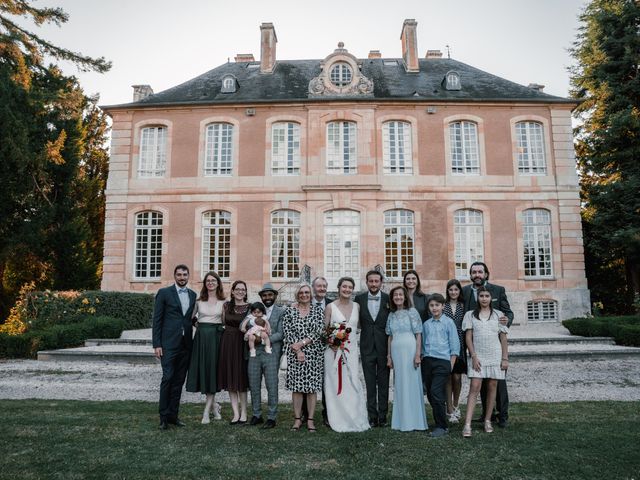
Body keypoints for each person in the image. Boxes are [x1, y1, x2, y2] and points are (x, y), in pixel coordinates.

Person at [462, 261, 513, 428]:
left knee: (498, 383)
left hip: (495, 344)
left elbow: (508, 312)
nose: (477, 274)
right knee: (480, 382)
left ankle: (502, 416)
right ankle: (486, 415)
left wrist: (506, 320)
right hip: (477, 344)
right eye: (474, 272)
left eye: (480, 272)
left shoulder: (498, 290)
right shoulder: (465, 291)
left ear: (486, 274)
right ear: (470, 275)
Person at [152, 264, 197, 430]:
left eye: (185, 274)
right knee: (167, 378)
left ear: (188, 276)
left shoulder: (193, 295)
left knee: (179, 381)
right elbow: (157, 320)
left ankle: (173, 415)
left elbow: (189, 319)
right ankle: (163, 417)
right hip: (168, 345)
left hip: (186, 346)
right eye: (179, 275)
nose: (182, 277)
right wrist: (157, 344)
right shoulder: (164, 293)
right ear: (174, 276)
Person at [323, 277, 370, 432]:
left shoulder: (357, 306)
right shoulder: (330, 306)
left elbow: (360, 327)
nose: (347, 290)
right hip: (333, 351)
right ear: (338, 288)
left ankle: (354, 415)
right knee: (335, 383)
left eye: (350, 287)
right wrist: (333, 343)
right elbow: (324, 330)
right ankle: (337, 417)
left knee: (352, 382)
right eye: (344, 287)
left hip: (351, 351)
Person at [283, 283, 325, 432]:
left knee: (311, 388)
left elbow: (319, 331)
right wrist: (297, 349)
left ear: (311, 294)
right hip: (295, 354)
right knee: (297, 387)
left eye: (307, 292)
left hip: (313, 353)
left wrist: (302, 343)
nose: (304, 295)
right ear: (297, 295)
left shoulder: (318, 311)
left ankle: (310, 420)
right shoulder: (290, 310)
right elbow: (287, 330)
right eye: (301, 293)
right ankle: (297, 419)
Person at [186, 271, 225, 424]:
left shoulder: (224, 302)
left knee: (212, 373)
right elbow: (189, 318)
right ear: (205, 283)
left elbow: (225, 322)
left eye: (213, 280)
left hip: (216, 339)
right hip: (201, 339)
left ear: (218, 283)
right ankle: (214, 406)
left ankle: (206, 413)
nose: (210, 283)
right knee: (205, 372)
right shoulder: (198, 301)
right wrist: (197, 325)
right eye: (208, 280)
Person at [385, 286, 426, 432]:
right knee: (400, 383)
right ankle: (401, 420)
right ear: (392, 297)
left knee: (412, 383)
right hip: (396, 351)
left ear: (405, 297)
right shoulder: (391, 314)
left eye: (400, 294)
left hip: (410, 349)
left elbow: (418, 333)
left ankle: (415, 421)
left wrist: (417, 354)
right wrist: (389, 356)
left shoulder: (412, 312)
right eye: (395, 295)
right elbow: (389, 337)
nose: (398, 297)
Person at [244, 283, 284, 429]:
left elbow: (281, 333)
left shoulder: (281, 312)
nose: (267, 297)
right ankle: (256, 415)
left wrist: (263, 339)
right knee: (254, 384)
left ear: (275, 296)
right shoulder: (254, 311)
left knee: (272, 385)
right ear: (261, 297)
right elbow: (247, 329)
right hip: (254, 353)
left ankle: (272, 417)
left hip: (271, 353)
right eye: (264, 295)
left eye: (270, 295)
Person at [421, 293, 460, 438]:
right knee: (431, 394)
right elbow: (424, 344)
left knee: (437, 392)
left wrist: (450, 364)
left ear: (443, 306)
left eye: (437, 305)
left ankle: (441, 427)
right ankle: (440, 417)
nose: (434, 308)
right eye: (431, 305)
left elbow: (454, 345)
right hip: (428, 361)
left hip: (443, 362)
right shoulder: (426, 324)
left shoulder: (449, 323)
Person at [355, 270, 390, 427]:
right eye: (371, 281)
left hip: (384, 347)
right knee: (369, 383)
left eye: (377, 281)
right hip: (367, 346)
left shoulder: (389, 299)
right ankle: (372, 416)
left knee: (384, 382)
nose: (374, 284)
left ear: (381, 282)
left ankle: (383, 415)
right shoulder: (359, 299)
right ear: (367, 282)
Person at [301, 276, 334, 426]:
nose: (322, 289)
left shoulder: (332, 305)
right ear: (313, 288)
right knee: (306, 381)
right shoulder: (304, 304)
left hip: (327, 349)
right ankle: (305, 414)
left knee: (328, 383)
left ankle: (328, 414)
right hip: (309, 349)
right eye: (319, 286)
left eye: (324, 286)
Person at [217, 280, 251, 425]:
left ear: (245, 292)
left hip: (242, 343)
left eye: (243, 289)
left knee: (241, 379)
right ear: (232, 291)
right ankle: (235, 413)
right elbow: (222, 322)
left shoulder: (250, 307)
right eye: (237, 289)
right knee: (231, 378)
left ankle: (244, 412)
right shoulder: (226, 306)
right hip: (228, 344)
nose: (240, 291)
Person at [443, 279, 466, 424]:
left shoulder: (463, 306)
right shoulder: (443, 306)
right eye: (451, 290)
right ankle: (449, 409)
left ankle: (456, 405)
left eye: (456, 290)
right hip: (445, 345)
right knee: (447, 377)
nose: (453, 292)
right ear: (447, 291)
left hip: (460, 344)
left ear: (459, 291)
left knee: (457, 377)